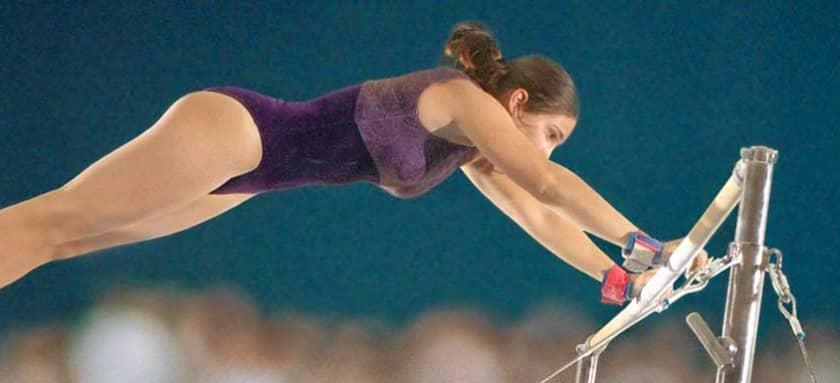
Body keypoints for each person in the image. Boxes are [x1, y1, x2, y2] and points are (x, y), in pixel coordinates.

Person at [0, 21, 705, 303]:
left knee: (64, 241)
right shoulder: (460, 100)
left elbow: (539, 213)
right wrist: (645, 243)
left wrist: (617, 277)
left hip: (248, 180)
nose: (544, 150)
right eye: (549, 132)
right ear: (517, 102)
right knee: (52, 219)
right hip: (237, 132)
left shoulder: (472, 152)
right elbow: (548, 183)